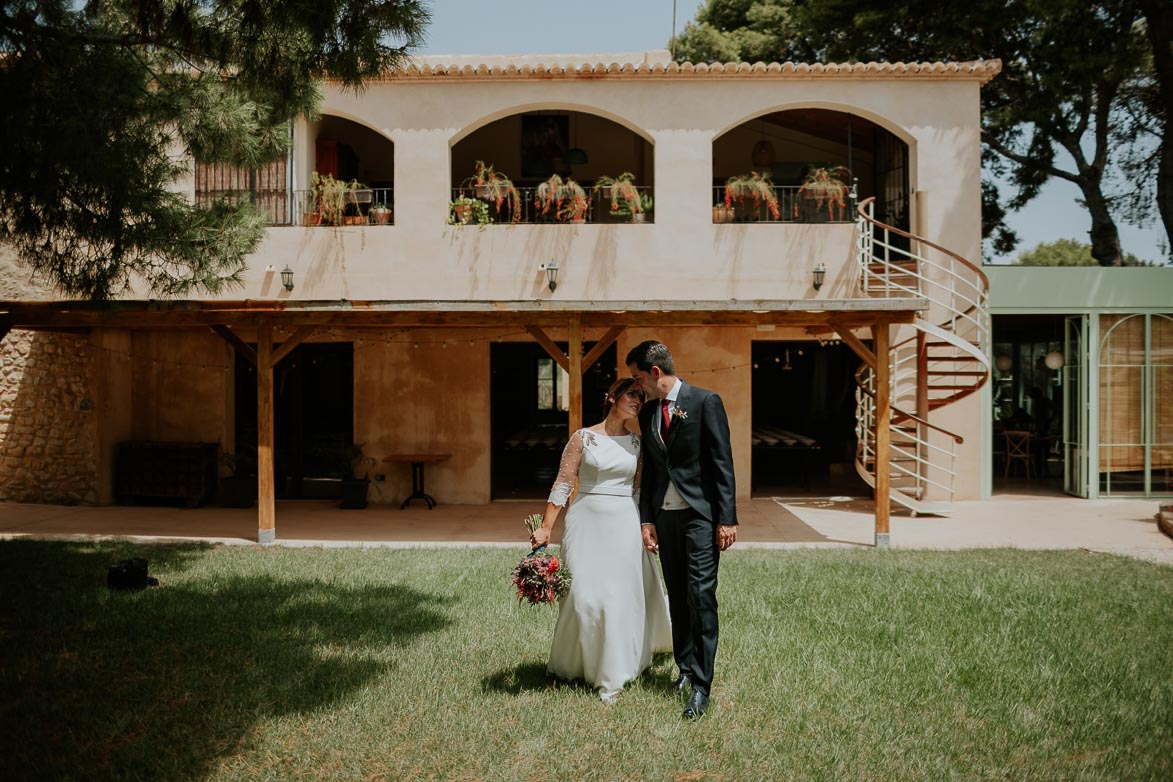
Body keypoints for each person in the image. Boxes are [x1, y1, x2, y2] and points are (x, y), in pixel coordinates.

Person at [529, 377, 672, 703]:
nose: (636, 401)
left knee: (616, 598)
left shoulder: (637, 444)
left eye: (640, 397)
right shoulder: (583, 438)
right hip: (585, 520)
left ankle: (614, 671)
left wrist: (645, 527)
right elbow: (563, 483)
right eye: (630, 395)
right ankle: (572, 664)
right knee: (581, 594)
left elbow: (637, 490)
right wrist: (547, 527)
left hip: (623, 521)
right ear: (612, 397)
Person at [626, 340, 738, 720]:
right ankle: (685, 669)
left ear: (655, 372)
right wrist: (647, 519)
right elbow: (653, 471)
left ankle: (702, 687)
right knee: (677, 594)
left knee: (701, 595)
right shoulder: (649, 413)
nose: (636, 385)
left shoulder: (706, 403)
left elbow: (722, 463)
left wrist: (727, 518)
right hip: (665, 518)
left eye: (638, 377)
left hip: (700, 517)